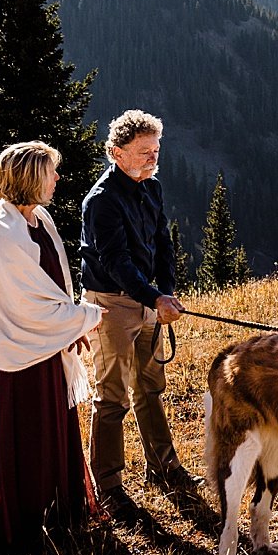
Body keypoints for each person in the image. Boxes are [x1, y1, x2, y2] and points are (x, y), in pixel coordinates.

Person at [0, 141, 103, 554]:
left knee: (57, 431)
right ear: (32, 177)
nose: (56, 178)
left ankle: (63, 512)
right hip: (24, 357)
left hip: (50, 349)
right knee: (33, 437)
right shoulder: (6, 234)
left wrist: (69, 327)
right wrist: (83, 318)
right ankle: (34, 525)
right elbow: (27, 307)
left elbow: (53, 291)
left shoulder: (38, 219)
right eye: (50, 171)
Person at [78, 109, 199, 512]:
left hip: (148, 300)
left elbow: (163, 243)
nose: (153, 157)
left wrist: (164, 292)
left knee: (150, 387)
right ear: (116, 153)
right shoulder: (101, 201)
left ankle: (163, 467)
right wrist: (153, 298)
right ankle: (108, 487)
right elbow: (116, 262)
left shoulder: (153, 189)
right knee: (111, 396)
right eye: (144, 151)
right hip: (111, 304)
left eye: (156, 149)